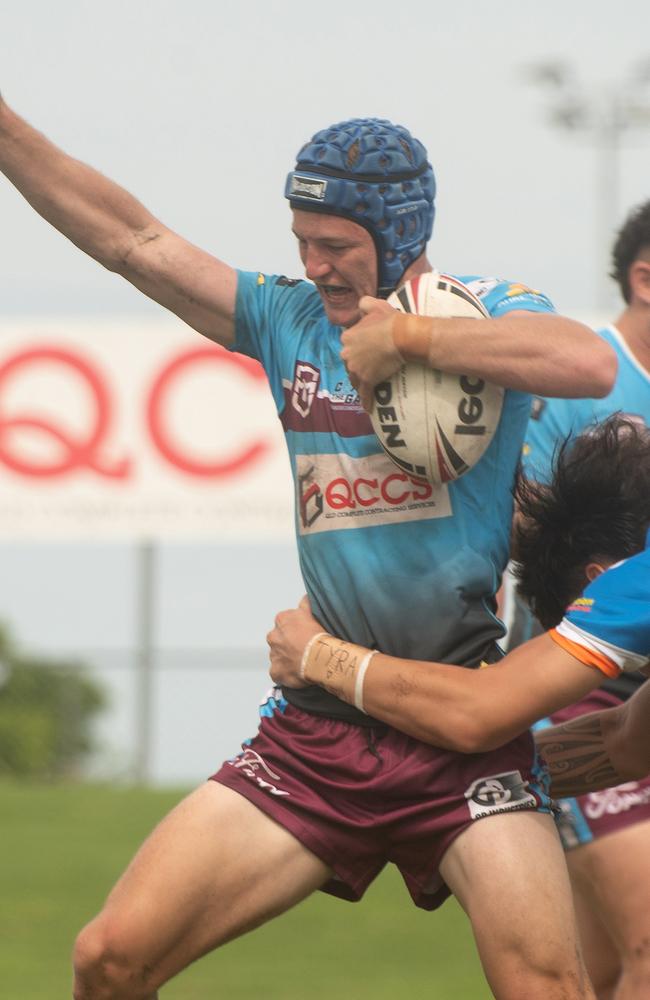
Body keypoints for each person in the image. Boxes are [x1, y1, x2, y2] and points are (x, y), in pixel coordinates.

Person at [0, 102, 616, 1000]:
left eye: (335, 243)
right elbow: (133, 241)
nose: (312, 264)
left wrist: (410, 337)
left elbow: (586, 365)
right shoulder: (286, 320)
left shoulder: (488, 314)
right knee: (109, 959)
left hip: (460, 727)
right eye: (302, 239)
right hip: (317, 730)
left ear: (398, 229)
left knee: (548, 986)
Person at [268, 416, 650, 1000]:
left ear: (598, 578)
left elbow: (483, 709)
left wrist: (318, 656)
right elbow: (628, 741)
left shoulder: (633, 582)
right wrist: (447, 786)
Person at [518, 201, 650, 1000]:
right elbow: (527, 528)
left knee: (595, 971)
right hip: (585, 688)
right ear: (644, 277)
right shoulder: (581, 378)